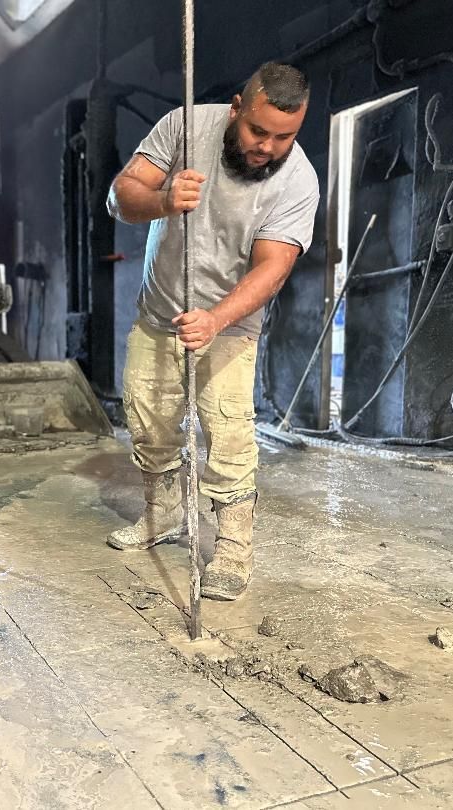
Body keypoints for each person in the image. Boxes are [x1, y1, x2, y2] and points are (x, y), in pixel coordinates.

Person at [105, 62, 320, 602]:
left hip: (230, 324)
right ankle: (164, 515)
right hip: (159, 313)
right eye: (258, 131)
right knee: (148, 423)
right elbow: (120, 195)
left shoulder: (299, 181)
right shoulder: (184, 126)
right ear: (236, 108)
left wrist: (216, 319)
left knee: (227, 435)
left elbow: (272, 268)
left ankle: (232, 547)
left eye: (284, 137)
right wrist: (160, 199)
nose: (268, 147)